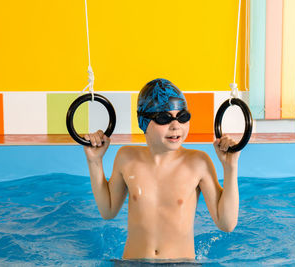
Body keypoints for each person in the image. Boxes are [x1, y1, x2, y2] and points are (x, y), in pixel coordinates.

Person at [83, 78, 240, 261]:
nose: (176, 126)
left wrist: (230, 167)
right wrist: (94, 161)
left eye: (182, 117)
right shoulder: (127, 158)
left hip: (180, 264)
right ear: (143, 122)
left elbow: (226, 224)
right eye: (164, 118)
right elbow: (108, 211)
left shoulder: (197, 163)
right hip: (132, 263)